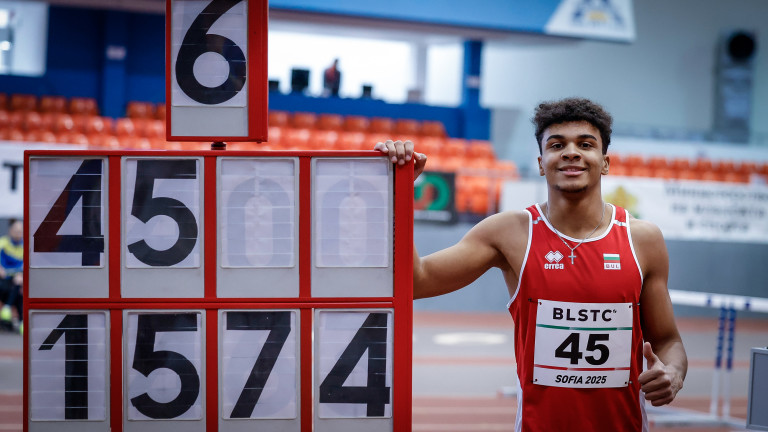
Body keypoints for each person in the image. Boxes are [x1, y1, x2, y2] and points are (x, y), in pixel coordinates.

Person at [375, 97, 687, 431]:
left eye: (585, 144)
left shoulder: (642, 239)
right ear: (541, 163)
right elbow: (416, 282)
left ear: (605, 162)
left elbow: (669, 341)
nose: (570, 152)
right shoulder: (509, 233)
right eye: (557, 145)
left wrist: (672, 373)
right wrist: (395, 195)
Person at [0, 218, 23, 333]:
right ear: (10, 230)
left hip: (17, 283)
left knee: (19, 288)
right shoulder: (3, 243)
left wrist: (21, 275)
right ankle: (19, 321)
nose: (19, 233)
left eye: (21, 231)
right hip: (3, 281)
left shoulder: (26, 246)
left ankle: (8, 309)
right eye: (16, 230)